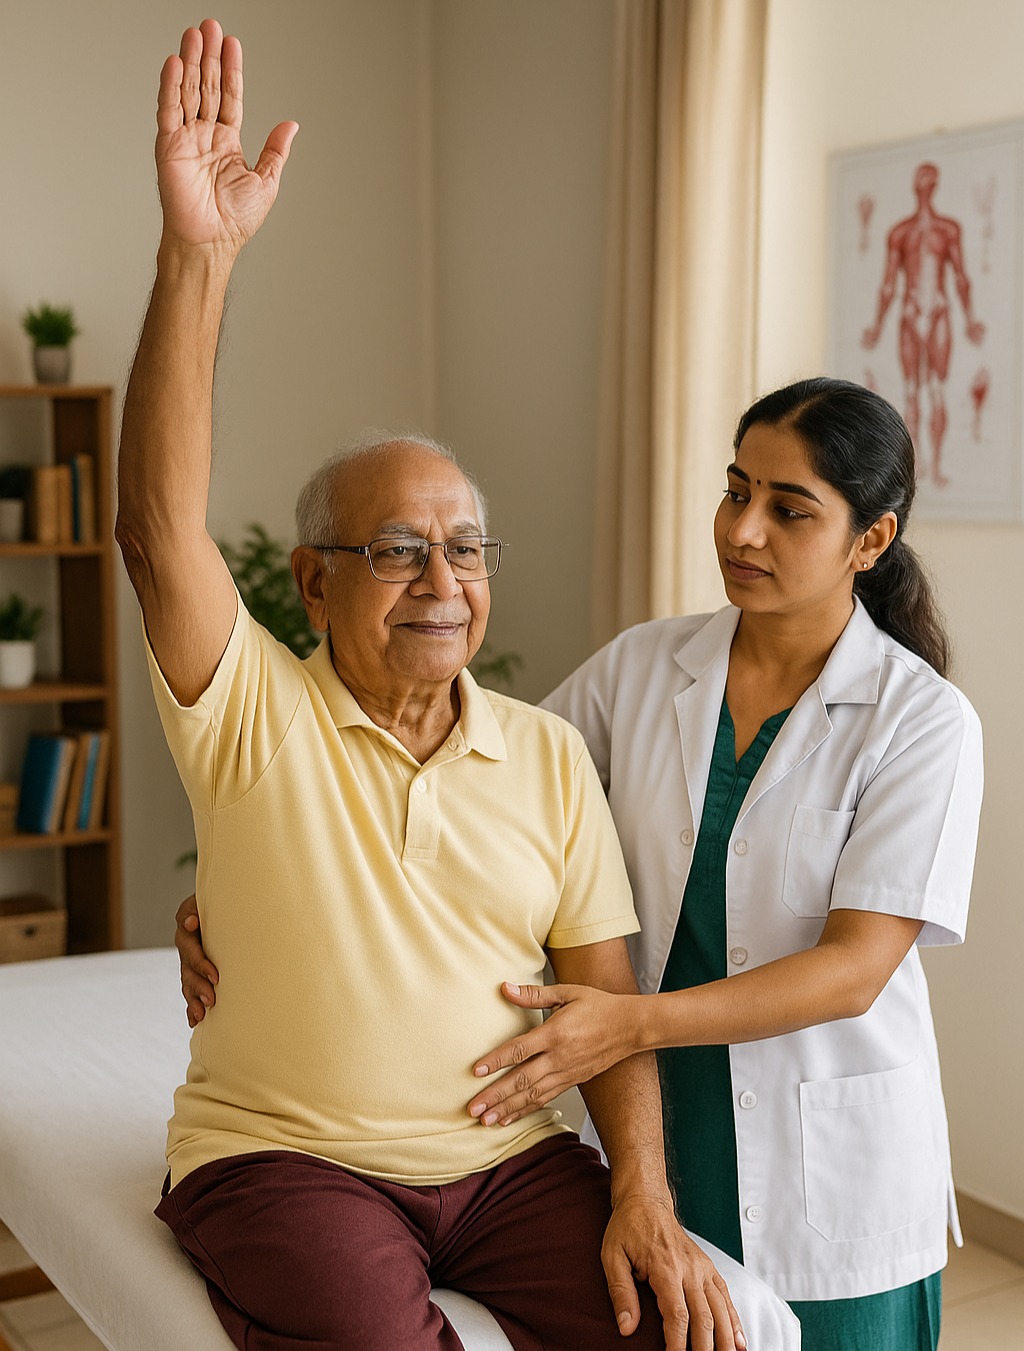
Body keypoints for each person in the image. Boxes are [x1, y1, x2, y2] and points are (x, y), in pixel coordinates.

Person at [118, 18, 794, 1351]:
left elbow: (602, 1000)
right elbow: (156, 527)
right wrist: (199, 257)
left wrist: (641, 1194)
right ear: (310, 583)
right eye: (395, 549)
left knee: (686, 1327)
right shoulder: (249, 706)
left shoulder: (545, 755)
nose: (443, 578)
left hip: (510, 1164)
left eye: (466, 546)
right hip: (288, 1158)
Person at [185, 378, 983, 1349]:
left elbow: (857, 968)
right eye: (736, 491)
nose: (742, 531)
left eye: (787, 509)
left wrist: (628, 1021)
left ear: (870, 539)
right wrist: (242, 884)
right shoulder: (644, 667)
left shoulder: (920, 720)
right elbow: (480, 792)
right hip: (665, 1117)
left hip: (824, 1136)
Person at [861, 161, 986, 488]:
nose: (924, 182)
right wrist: (876, 326)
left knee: (936, 390)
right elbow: (888, 285)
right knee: (913, 392)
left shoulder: (948, 230)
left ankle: (937, 464)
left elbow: (961, 277)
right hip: (911, 311)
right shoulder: (899, 232)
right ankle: (916, 470)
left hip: (939, 311)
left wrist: (971, 319)